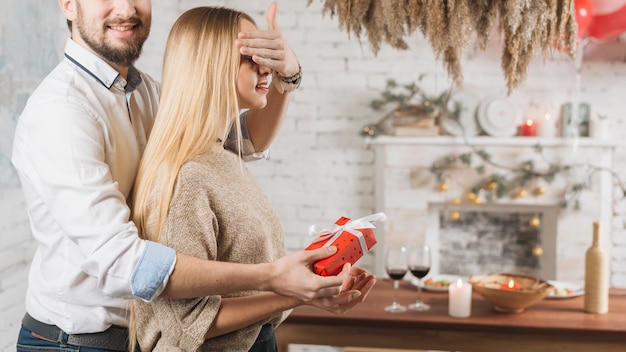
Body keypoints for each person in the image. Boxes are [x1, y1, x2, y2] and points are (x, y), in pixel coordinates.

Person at [11, 0, 373, 351]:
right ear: (68, 5)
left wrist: (286, 75)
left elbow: (238, 141)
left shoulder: (146, 93)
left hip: (141, 335)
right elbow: (125, 263)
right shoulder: (61, 112)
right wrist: (275, 279)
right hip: (79, 342)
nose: (125, 8)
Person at [129, 6, 376, 351]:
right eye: (251, 56)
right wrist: (292, 293)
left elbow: (257, 138)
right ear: (209, 64)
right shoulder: (186, 176)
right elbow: (185, 327)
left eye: (267, 54)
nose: (266, 66)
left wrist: (310, 283)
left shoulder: (224, 155)